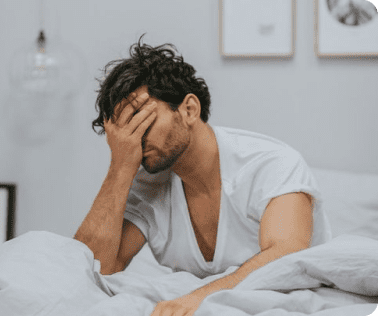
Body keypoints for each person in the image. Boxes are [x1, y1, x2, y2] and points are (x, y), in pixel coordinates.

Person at [74, 34, 332, 316]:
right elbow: (92, 269)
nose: (135, 141)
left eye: (143, 122)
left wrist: (199, 298)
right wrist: (119, 167)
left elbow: (285, 256)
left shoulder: (270, 164)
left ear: (189, 109)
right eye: (125, 132)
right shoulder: (147, 185)